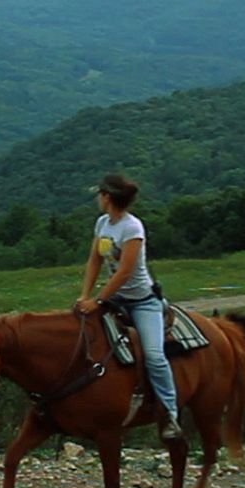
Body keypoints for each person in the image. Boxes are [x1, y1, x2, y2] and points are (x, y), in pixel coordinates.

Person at [76, 173, 182, 440]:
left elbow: (124, 271)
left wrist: (97, 301)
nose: (97, 199)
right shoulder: (102, 223)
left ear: (107, 197)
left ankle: (170, 414)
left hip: (142, 301)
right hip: (115, 299)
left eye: (100, 194)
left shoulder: (132, 228)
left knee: (155, 355)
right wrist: (84, 296)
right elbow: (94, 261)